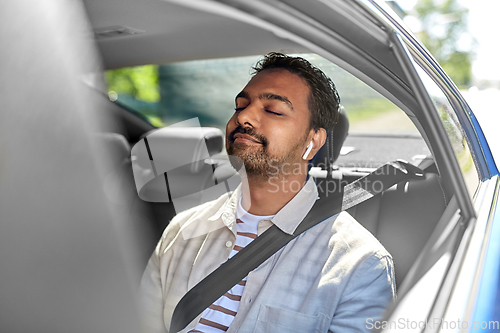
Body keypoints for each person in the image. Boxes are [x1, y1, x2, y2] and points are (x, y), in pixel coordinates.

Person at [139, 52, 395, 333]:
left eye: (273, 110)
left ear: (313, 141)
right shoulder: (180, 231)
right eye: (240, 106)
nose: (244, 116)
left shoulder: (360, 265)